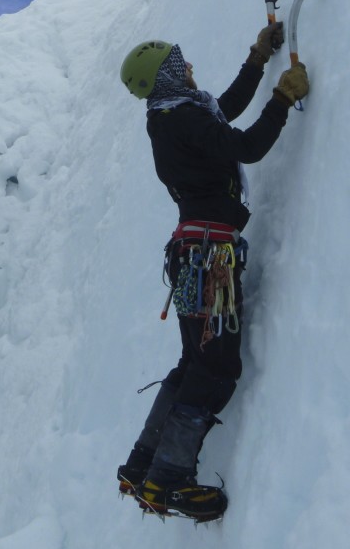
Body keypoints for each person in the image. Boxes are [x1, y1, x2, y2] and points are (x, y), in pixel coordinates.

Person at [117, 26, 309, 521]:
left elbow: (223, 112)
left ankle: (143, 466)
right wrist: (283, 101)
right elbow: (244, 147)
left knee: (194, 362)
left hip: (192, 255)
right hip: (208, 260)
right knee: (216, 368)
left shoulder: (172, 118)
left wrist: (256, 60)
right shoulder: (181, 118)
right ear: (168, 77)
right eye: (180, 65)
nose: (190, 69)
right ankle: (168, 478)